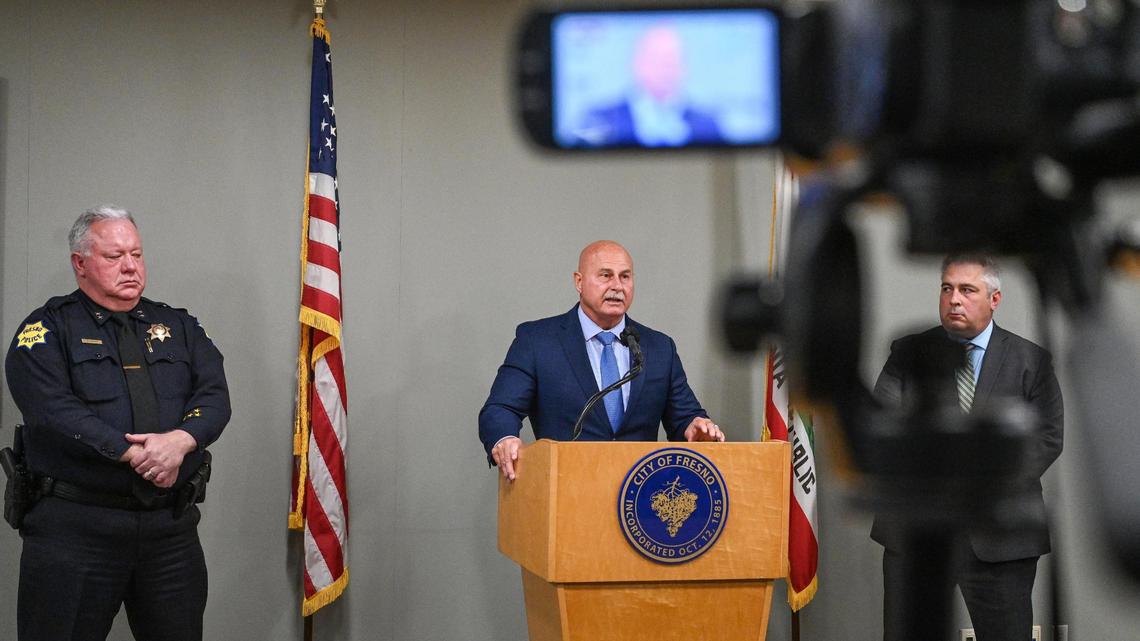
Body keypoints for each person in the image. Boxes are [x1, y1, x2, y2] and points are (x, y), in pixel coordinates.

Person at [4, 205, 230, 641]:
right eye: (113, 256)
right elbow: (50, 409)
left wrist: (181, 441)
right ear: (80, 264)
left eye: (137, 254)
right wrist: (135, 453)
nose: (130, 266)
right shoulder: (47, 329)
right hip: (75, 532)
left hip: (169, 530)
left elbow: (214, 396)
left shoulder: (178, 325)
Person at [871, 253, 1063, 641]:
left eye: (967, 290)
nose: (954, 299)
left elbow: (1047, 438)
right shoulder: (909, 355)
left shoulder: (1031, 360)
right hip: (915, 532)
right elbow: (883, 426)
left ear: (994, 299)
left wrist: (981, 484)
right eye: (947, 288)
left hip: (1000, 536)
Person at [478, 240, 723, 481]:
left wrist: (695, 426)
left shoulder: (659, 347)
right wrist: (504, 438)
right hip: (566, 490)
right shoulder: (538, 341)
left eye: (625, 277)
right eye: (605, 275)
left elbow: (684, 417)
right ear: (579, 282)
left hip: (638, 500)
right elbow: (501, 408)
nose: (617, 286)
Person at [575, 25, 724, 147]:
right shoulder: (601, 119)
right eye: (659, 60)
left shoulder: (707, 123)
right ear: (638, 64)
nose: (667, 69)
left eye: (672, 61)